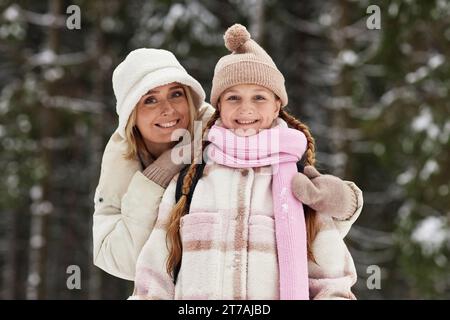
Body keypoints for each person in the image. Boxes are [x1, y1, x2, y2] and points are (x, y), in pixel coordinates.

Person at [130, 24, 363, 300]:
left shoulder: (298, 182)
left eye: (259, 97)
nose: (246, 109)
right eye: (233, 98)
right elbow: (152, 282)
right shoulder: (190, 181)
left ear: (277, 105)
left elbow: (332, 285)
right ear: (220, 107)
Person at [92, 48, 215, 280]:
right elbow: (123, 262)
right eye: (150, 99)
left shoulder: (226, 139)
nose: (168, 109)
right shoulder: (120, 162)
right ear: (132, 116)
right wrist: (159, 174)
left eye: (176, 94)